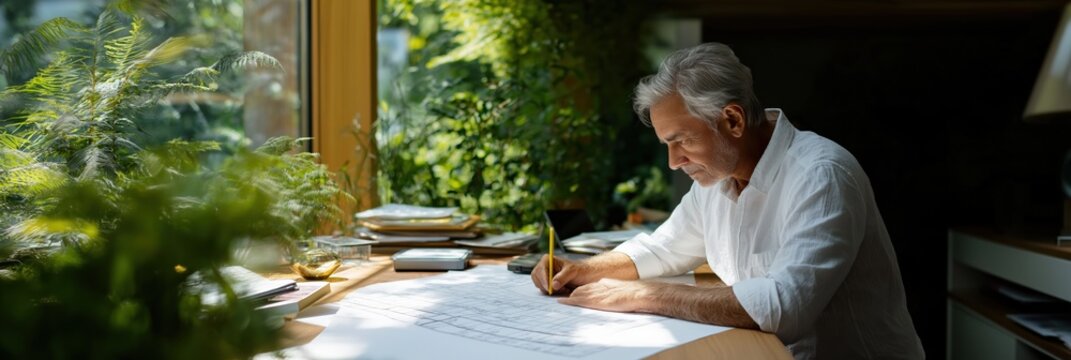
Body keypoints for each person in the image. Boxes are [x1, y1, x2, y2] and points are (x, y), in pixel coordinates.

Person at [530, 42, 924, 359]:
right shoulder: (714, 181)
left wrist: (643, 296)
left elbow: (784, 307)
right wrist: (584, 269)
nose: (673, 162)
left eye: (682, 141)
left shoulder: (822, 174)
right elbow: (663, 248)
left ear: (732, 121)